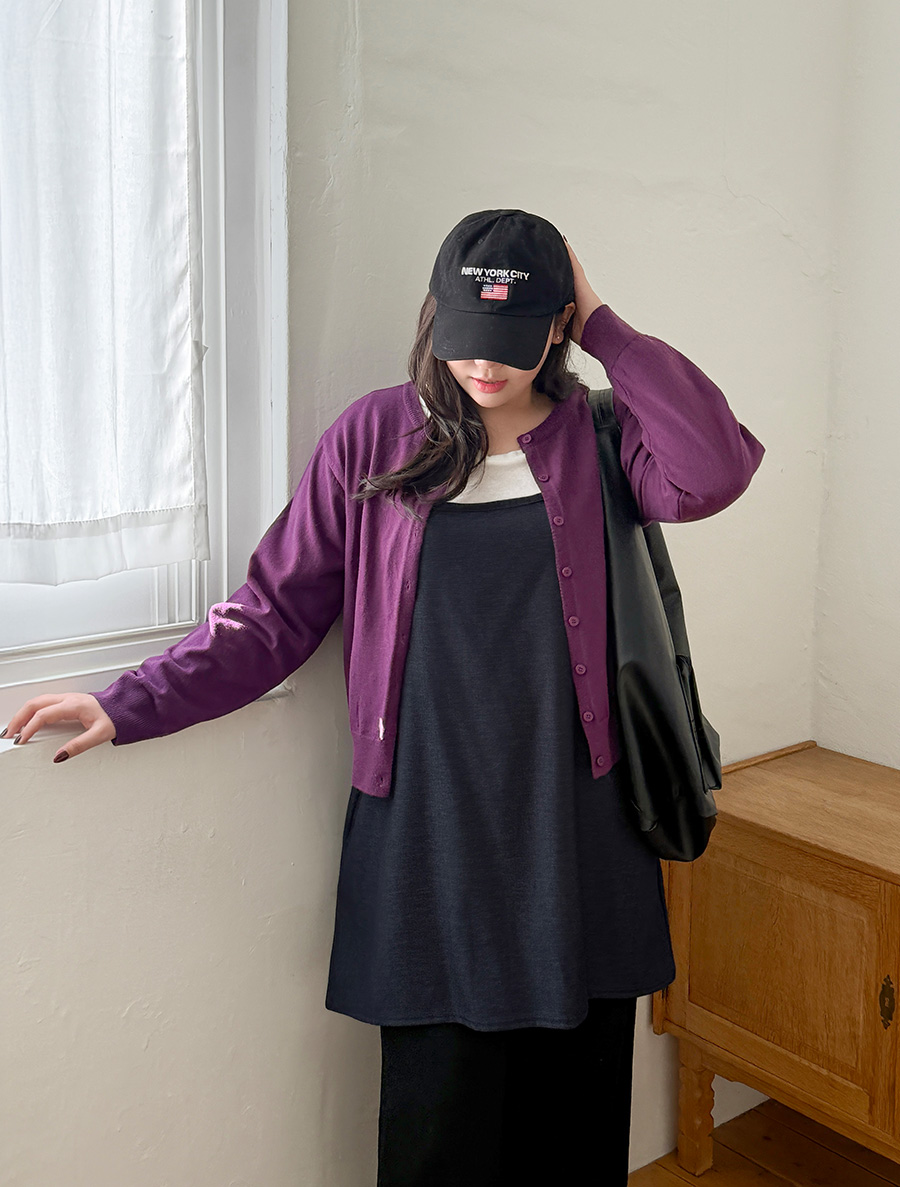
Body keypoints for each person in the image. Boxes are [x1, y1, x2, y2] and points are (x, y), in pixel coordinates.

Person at [3, 209, 765, 1185]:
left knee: (572, 1134)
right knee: (435, 1139)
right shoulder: (374, 436)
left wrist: (607, 324)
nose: (481, 365)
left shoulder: (606, 435)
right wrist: (131, 700)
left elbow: (714, 471)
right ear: (433, 314)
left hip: (576, 829)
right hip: (428, 836)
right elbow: (276, 611)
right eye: (464, 335)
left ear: (557, 327)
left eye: (512, 339)